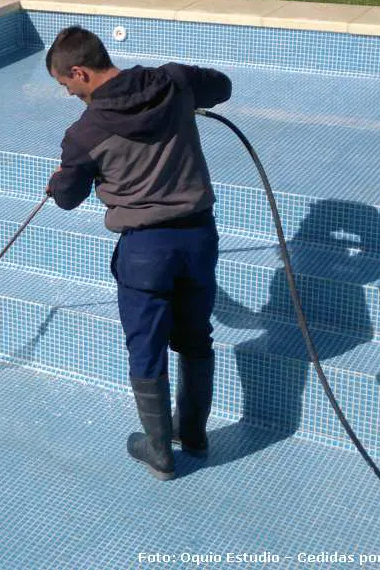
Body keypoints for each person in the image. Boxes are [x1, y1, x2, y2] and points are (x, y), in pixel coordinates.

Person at [44, 26, 231, 480]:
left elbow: (68, 198)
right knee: (195, 338)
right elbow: (222, 86)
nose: (68, 93)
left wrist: (60, 180)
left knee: (147, 349)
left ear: (80, 71)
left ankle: (159, 452)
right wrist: (187, 100)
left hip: (145, 251)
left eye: (66, 85)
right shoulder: (174, 82)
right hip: (199, 238)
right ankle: (195, 437)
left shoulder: (85, 133)